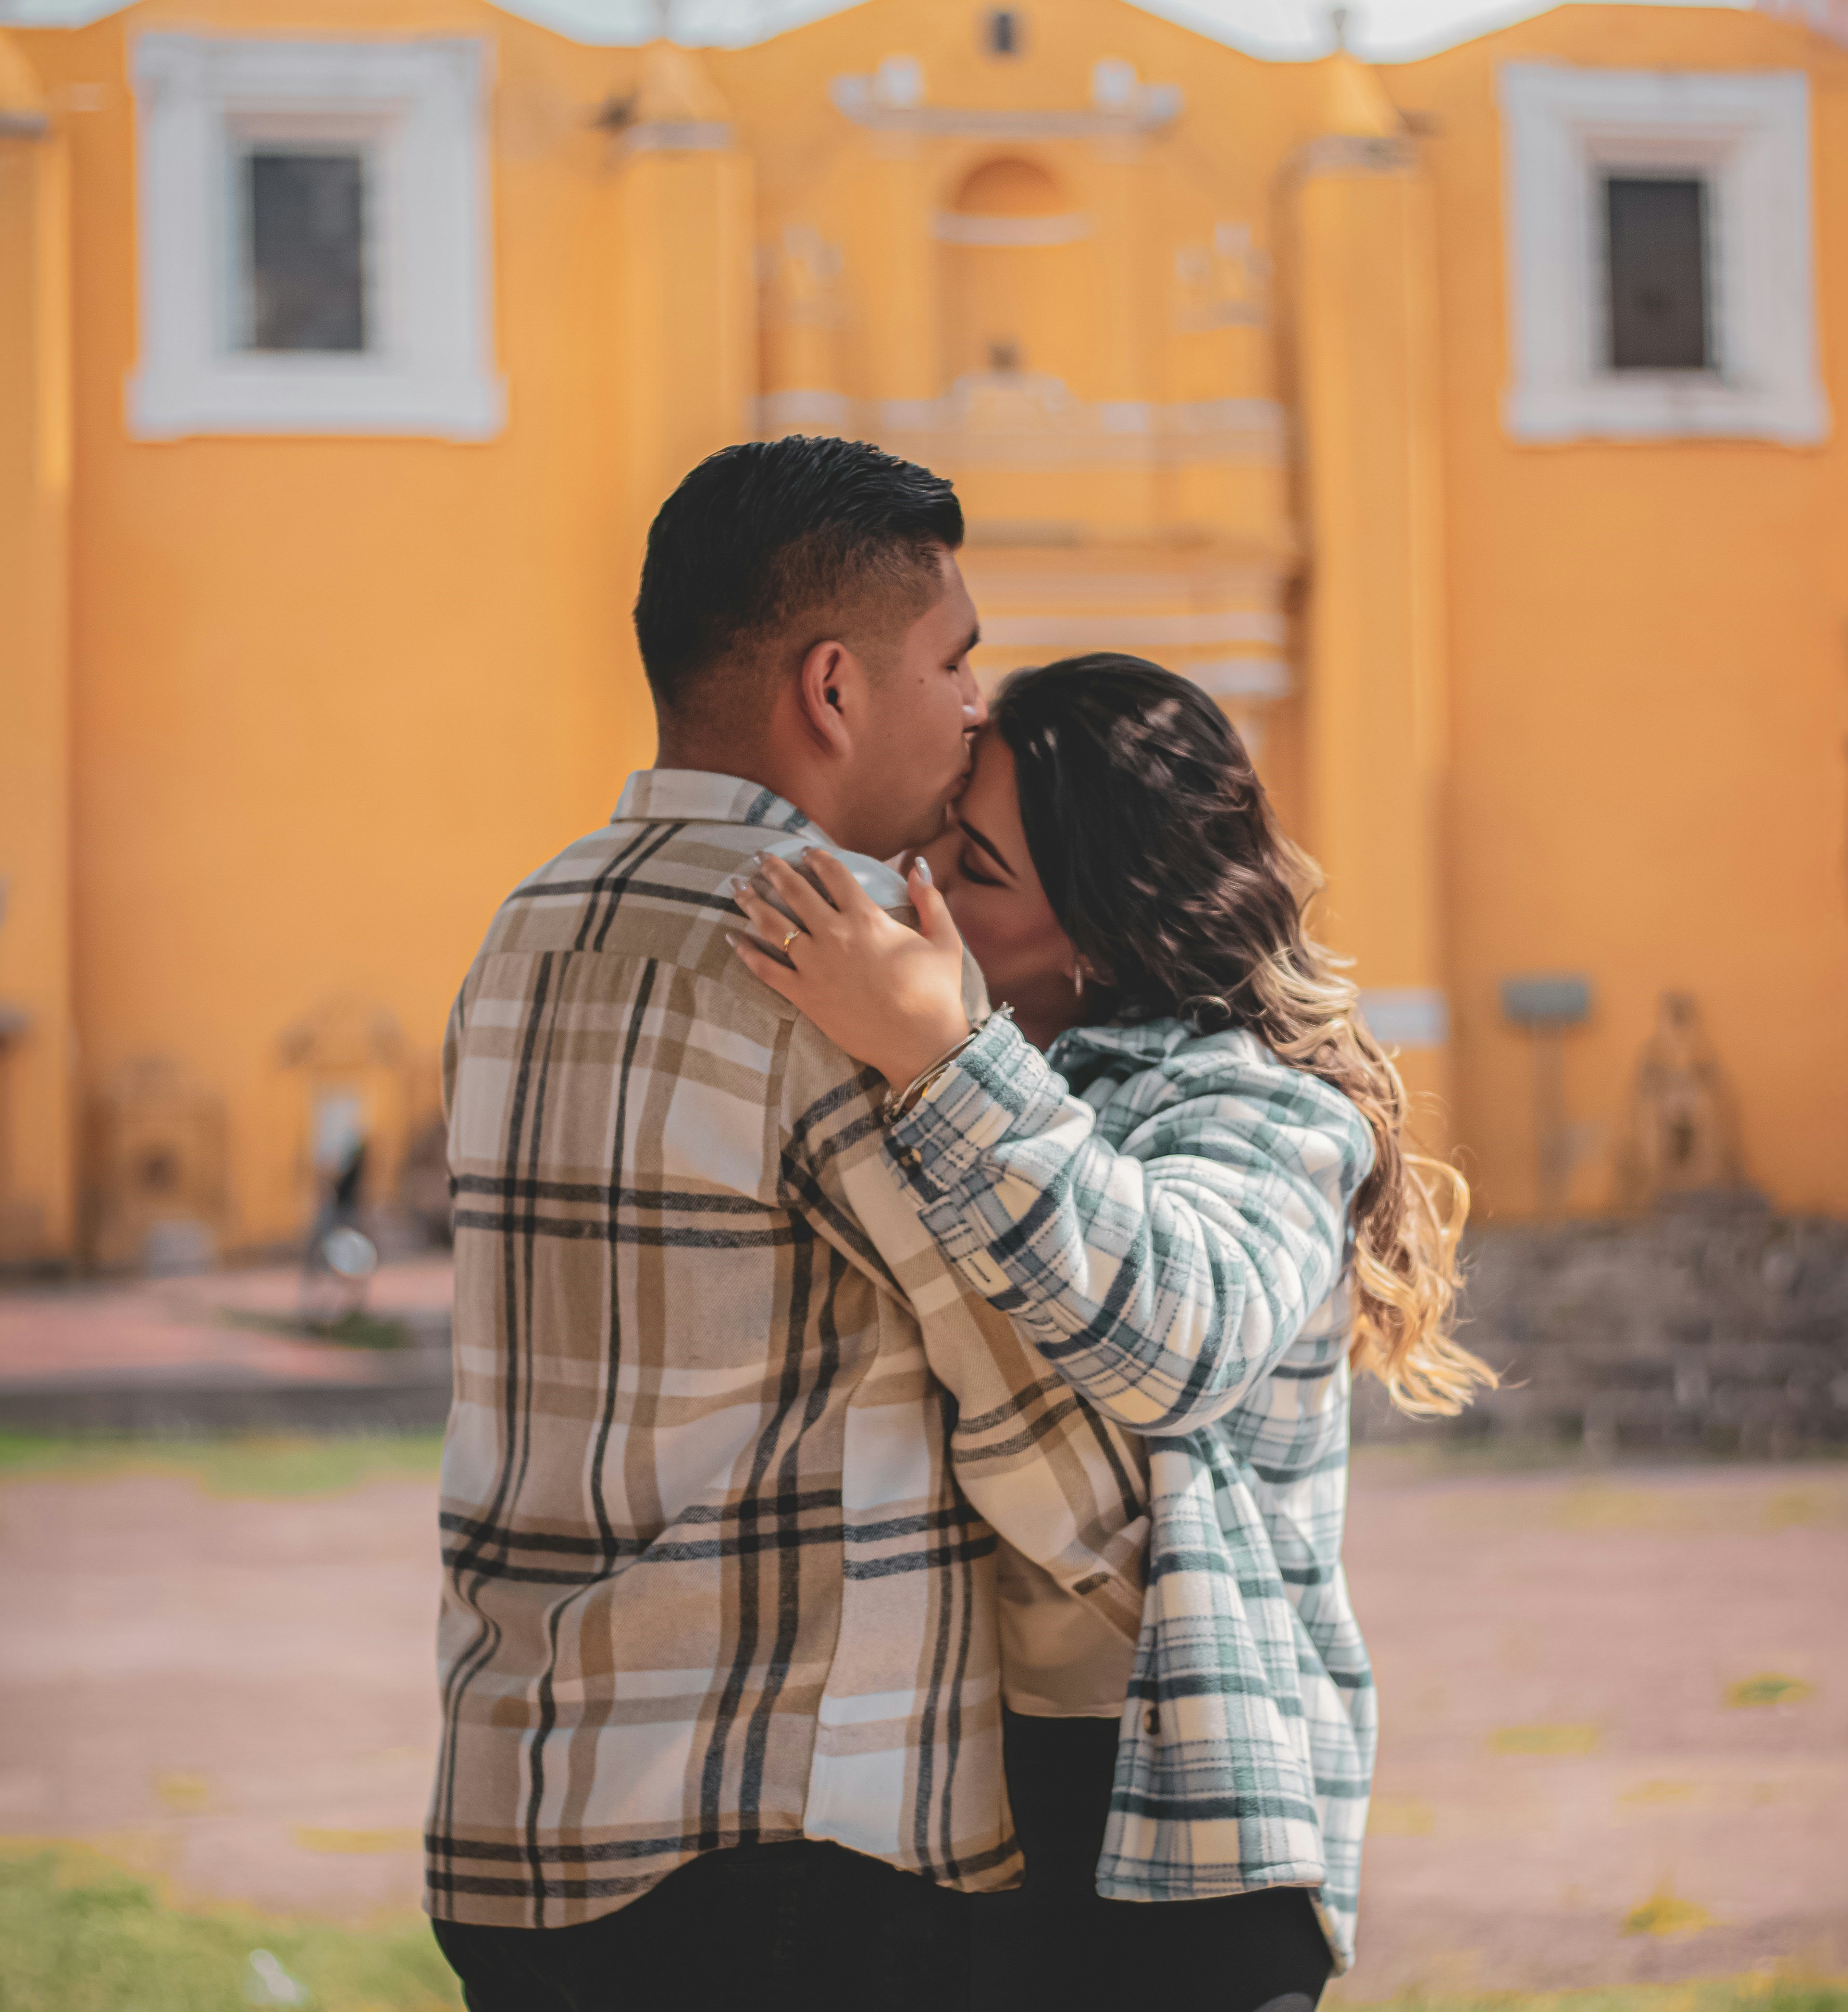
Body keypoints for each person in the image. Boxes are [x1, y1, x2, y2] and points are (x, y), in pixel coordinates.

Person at [426, 442, 1150, 2012]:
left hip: (516, 1811)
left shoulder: (526, 929)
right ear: (833, 689)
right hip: (782, 1841)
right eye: (952, 662)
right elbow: (1025, 1402)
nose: (976, 708)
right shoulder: (838, 951)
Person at [731, 654, 1497, 2011]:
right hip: (960, 1779)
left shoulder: (1261, 1108)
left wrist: (941, 1059)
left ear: (1097, 927)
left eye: (974, 864)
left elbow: (1180, 1342)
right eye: (937, 835)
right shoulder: (984, 1074)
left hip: (1182, 1816)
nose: (921, 881)